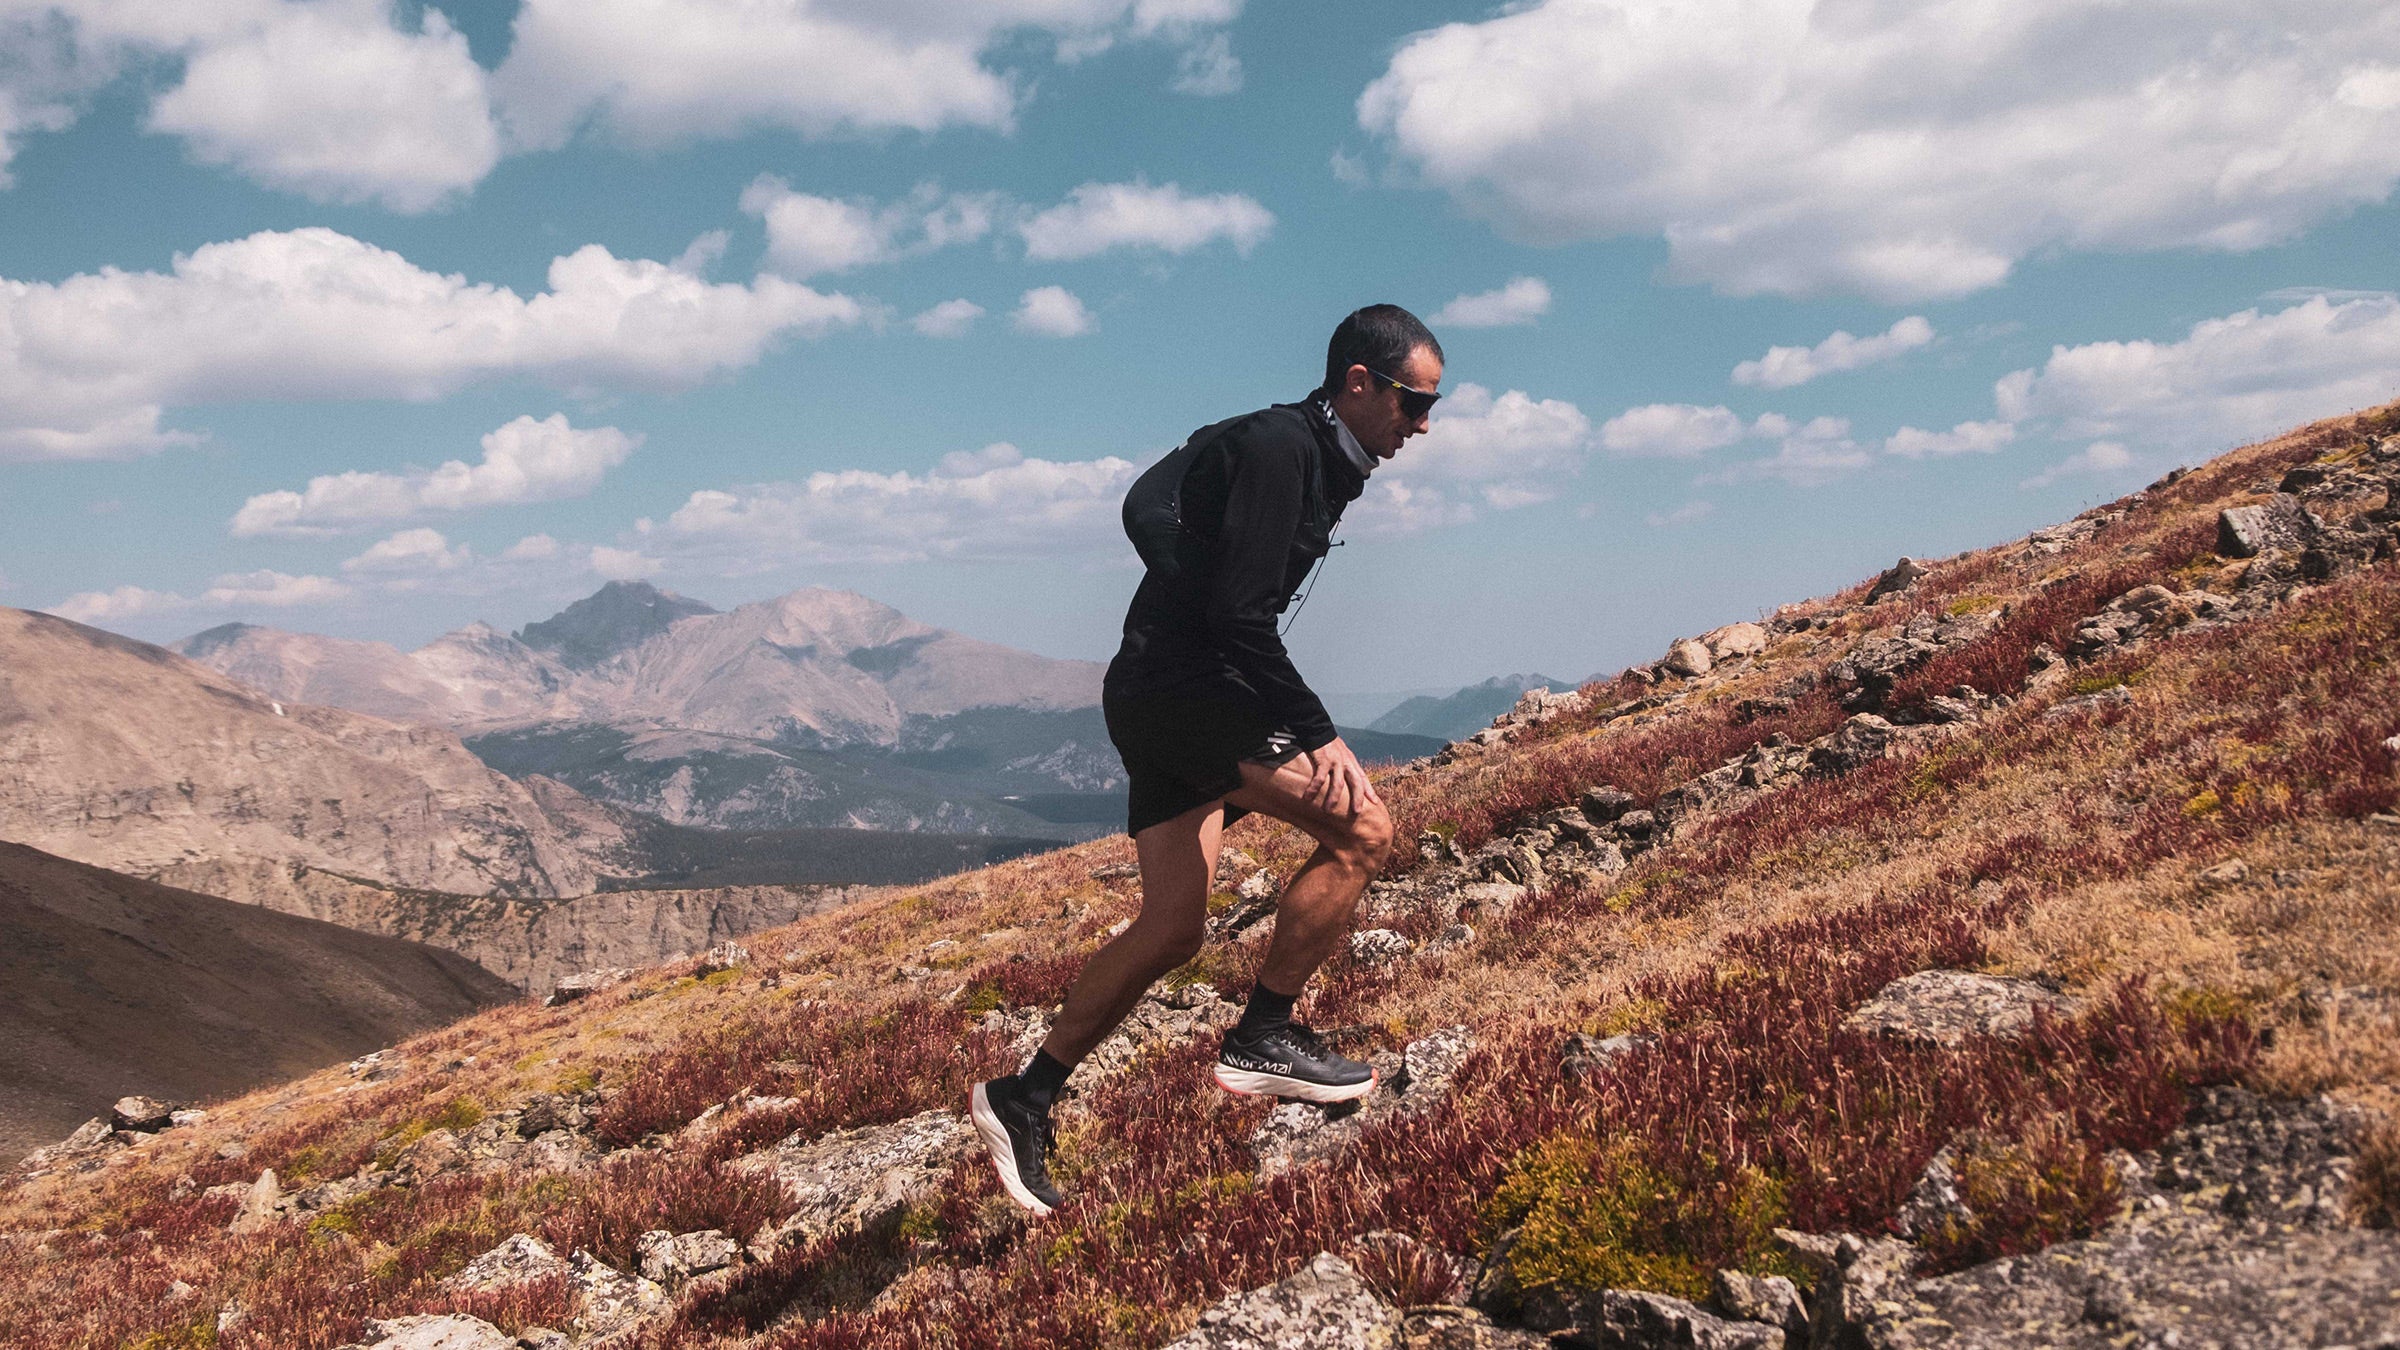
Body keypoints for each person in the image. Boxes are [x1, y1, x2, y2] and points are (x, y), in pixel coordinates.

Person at [969, 304, 1445, 1215]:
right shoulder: (1282, 448)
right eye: (1413, 402)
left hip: (1162, 690)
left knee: (1173, 929)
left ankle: (1022, 1098)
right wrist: (1316, 730)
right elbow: (1239, 615)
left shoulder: (1316, 457)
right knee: (1362, 829)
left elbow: (1170, 527)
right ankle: (1265, 1034)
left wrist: (1190, 606)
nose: (1421, 427)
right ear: (1358, 383)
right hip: (1187, 695)